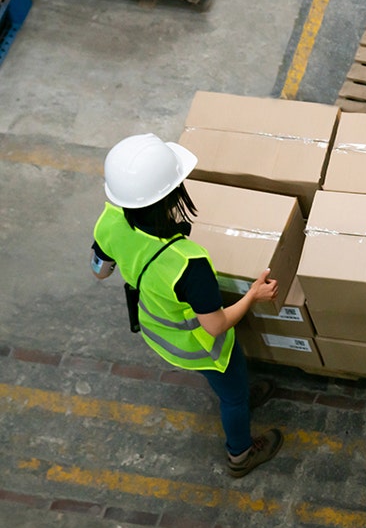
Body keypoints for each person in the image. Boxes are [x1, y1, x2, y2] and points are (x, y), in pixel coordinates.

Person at [90, 133, 283, 478]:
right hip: (199, 346)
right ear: (169, 195)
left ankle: (237, 398)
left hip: (156, 327)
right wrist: (253, 296)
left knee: (228, 387)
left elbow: (100, 271)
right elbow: (216, 325)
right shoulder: (187, 263)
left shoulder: (110, 220)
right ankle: (240, 454)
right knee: (234, 393)